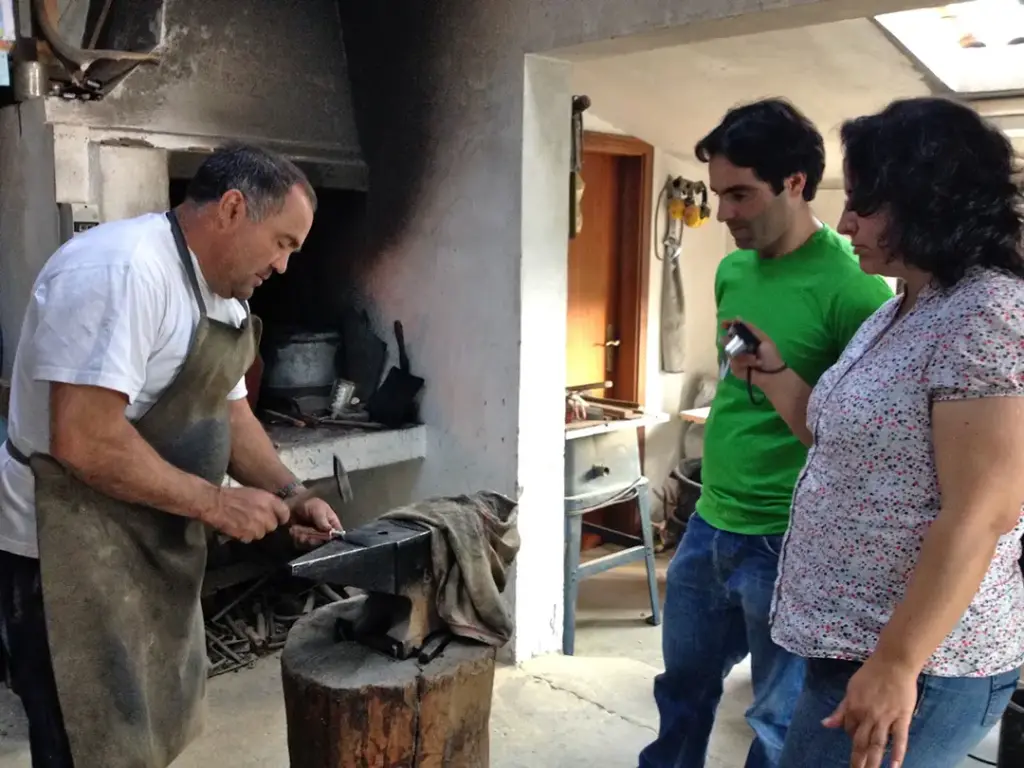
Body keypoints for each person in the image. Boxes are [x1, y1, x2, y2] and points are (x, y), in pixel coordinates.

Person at [0, 143, 342, 768]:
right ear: (234, 209)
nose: (285, 266)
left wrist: (293, 496)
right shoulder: (121, 271)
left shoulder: (227, 295)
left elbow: (231, 416)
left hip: (150, 547)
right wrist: (217, 505)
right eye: (283, 243)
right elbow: (84, 437)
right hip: (65, 557)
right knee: (87, 743)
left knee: (147, 734)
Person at [727, 97, 1024, 768]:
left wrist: (896, 663)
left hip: (920, 664)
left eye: (863, 203)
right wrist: (772, 372)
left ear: (929, 201)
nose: (844, 222)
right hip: (853, 645)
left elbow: (983, 512)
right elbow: (838, 441)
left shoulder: (986, 313)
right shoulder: (905, 306)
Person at [639, 99, 893, 768]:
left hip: (789, 540)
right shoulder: (733, 270)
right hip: (708, 523)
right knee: (682, 692)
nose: (723, 213)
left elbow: (854, 440)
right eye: (719, 194)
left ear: (796, 183)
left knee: (777, 724)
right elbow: (736, 383)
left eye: (740, 194)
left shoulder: (855, 292)